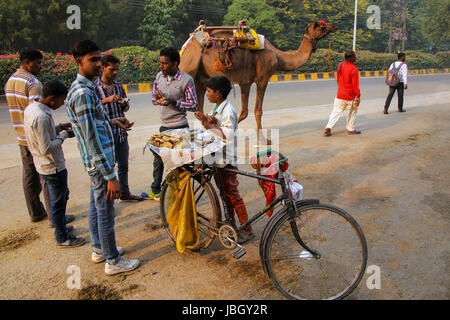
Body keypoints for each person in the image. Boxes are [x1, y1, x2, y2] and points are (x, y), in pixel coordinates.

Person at [66, 39, 139, 275]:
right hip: (100, 165)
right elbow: (90, 138)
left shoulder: (86, 88)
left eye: (99, 59)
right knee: (105, 212)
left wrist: (113, 120)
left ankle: (99, 249)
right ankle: (113, 261)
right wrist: (110, 176)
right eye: (93, 60)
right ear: (80, 62)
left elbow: (93, 124)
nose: (98, 64)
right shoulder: (83, 93)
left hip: (96, 163)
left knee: (96, 207)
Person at [4, 48, 75, 225]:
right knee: (48, 178)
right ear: (27, 62)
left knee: (30, 176)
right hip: (38, 136)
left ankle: (36, 211)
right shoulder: (32, 83)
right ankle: (55, 217)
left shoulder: (11, 81)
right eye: (38, 63)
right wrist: (62, 133)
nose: (40, 67)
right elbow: (41, 111)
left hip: (23, 135)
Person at [24, 80, 86, 247]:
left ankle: (61, 227)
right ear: (51, 98)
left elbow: (41, 135)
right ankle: (62, 237)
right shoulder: (41, 116)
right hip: (51, 166)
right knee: (59, 201)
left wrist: (58, 127)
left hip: (43, 164)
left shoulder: (32, 108)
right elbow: (46, 147)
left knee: (60, 197)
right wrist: (64, 135)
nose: (61, 104)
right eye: (60, 100)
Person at [194, 76, 255, 244]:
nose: (206, 95)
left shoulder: (228, 110)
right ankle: (232, 225)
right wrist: (208, 120)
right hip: (217, 158)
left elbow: (225, 136)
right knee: (225, 194)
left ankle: (247, 229)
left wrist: (207, 125)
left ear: (218, 93)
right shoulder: (218, 106)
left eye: (208, 91)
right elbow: (219, 127)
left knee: (233, 195)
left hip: (226, 159)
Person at [142, 47, 199, 201]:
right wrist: (159, 99)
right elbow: (155, 99)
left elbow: (193, 105)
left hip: (180, 126)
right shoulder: (159, 77)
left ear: (175, 63)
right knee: (158, 160)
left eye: (165, 64)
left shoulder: (186, 80)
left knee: (181, 163)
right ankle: (156, 190)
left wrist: (174, 102)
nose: (161, 66)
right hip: (164, 127)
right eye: (160, 63)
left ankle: (184, 195)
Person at [95, 54, 144, 202]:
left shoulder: (118, 85)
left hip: (120, 133)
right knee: (107, 170)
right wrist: (107, 100)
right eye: (112, 69)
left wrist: (123, 103)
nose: (115, 72)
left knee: (123, 166)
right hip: (105, 136)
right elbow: (93, 109)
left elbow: (126, 106)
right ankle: (106, 202)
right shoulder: (95, 87)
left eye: (117, 69)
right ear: (103, 68)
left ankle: (125, 193)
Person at [324, 51, 361, 137]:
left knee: (336, 112)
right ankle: (350, 129)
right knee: (352, 112)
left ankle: (328, 127)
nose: (355, 58)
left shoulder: (340, 65)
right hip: (350, 96)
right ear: (351, 58)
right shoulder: (354, 69)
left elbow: (339, 77)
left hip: (340, 94)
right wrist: (358, 96)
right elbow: (355, 85)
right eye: (354, 57)